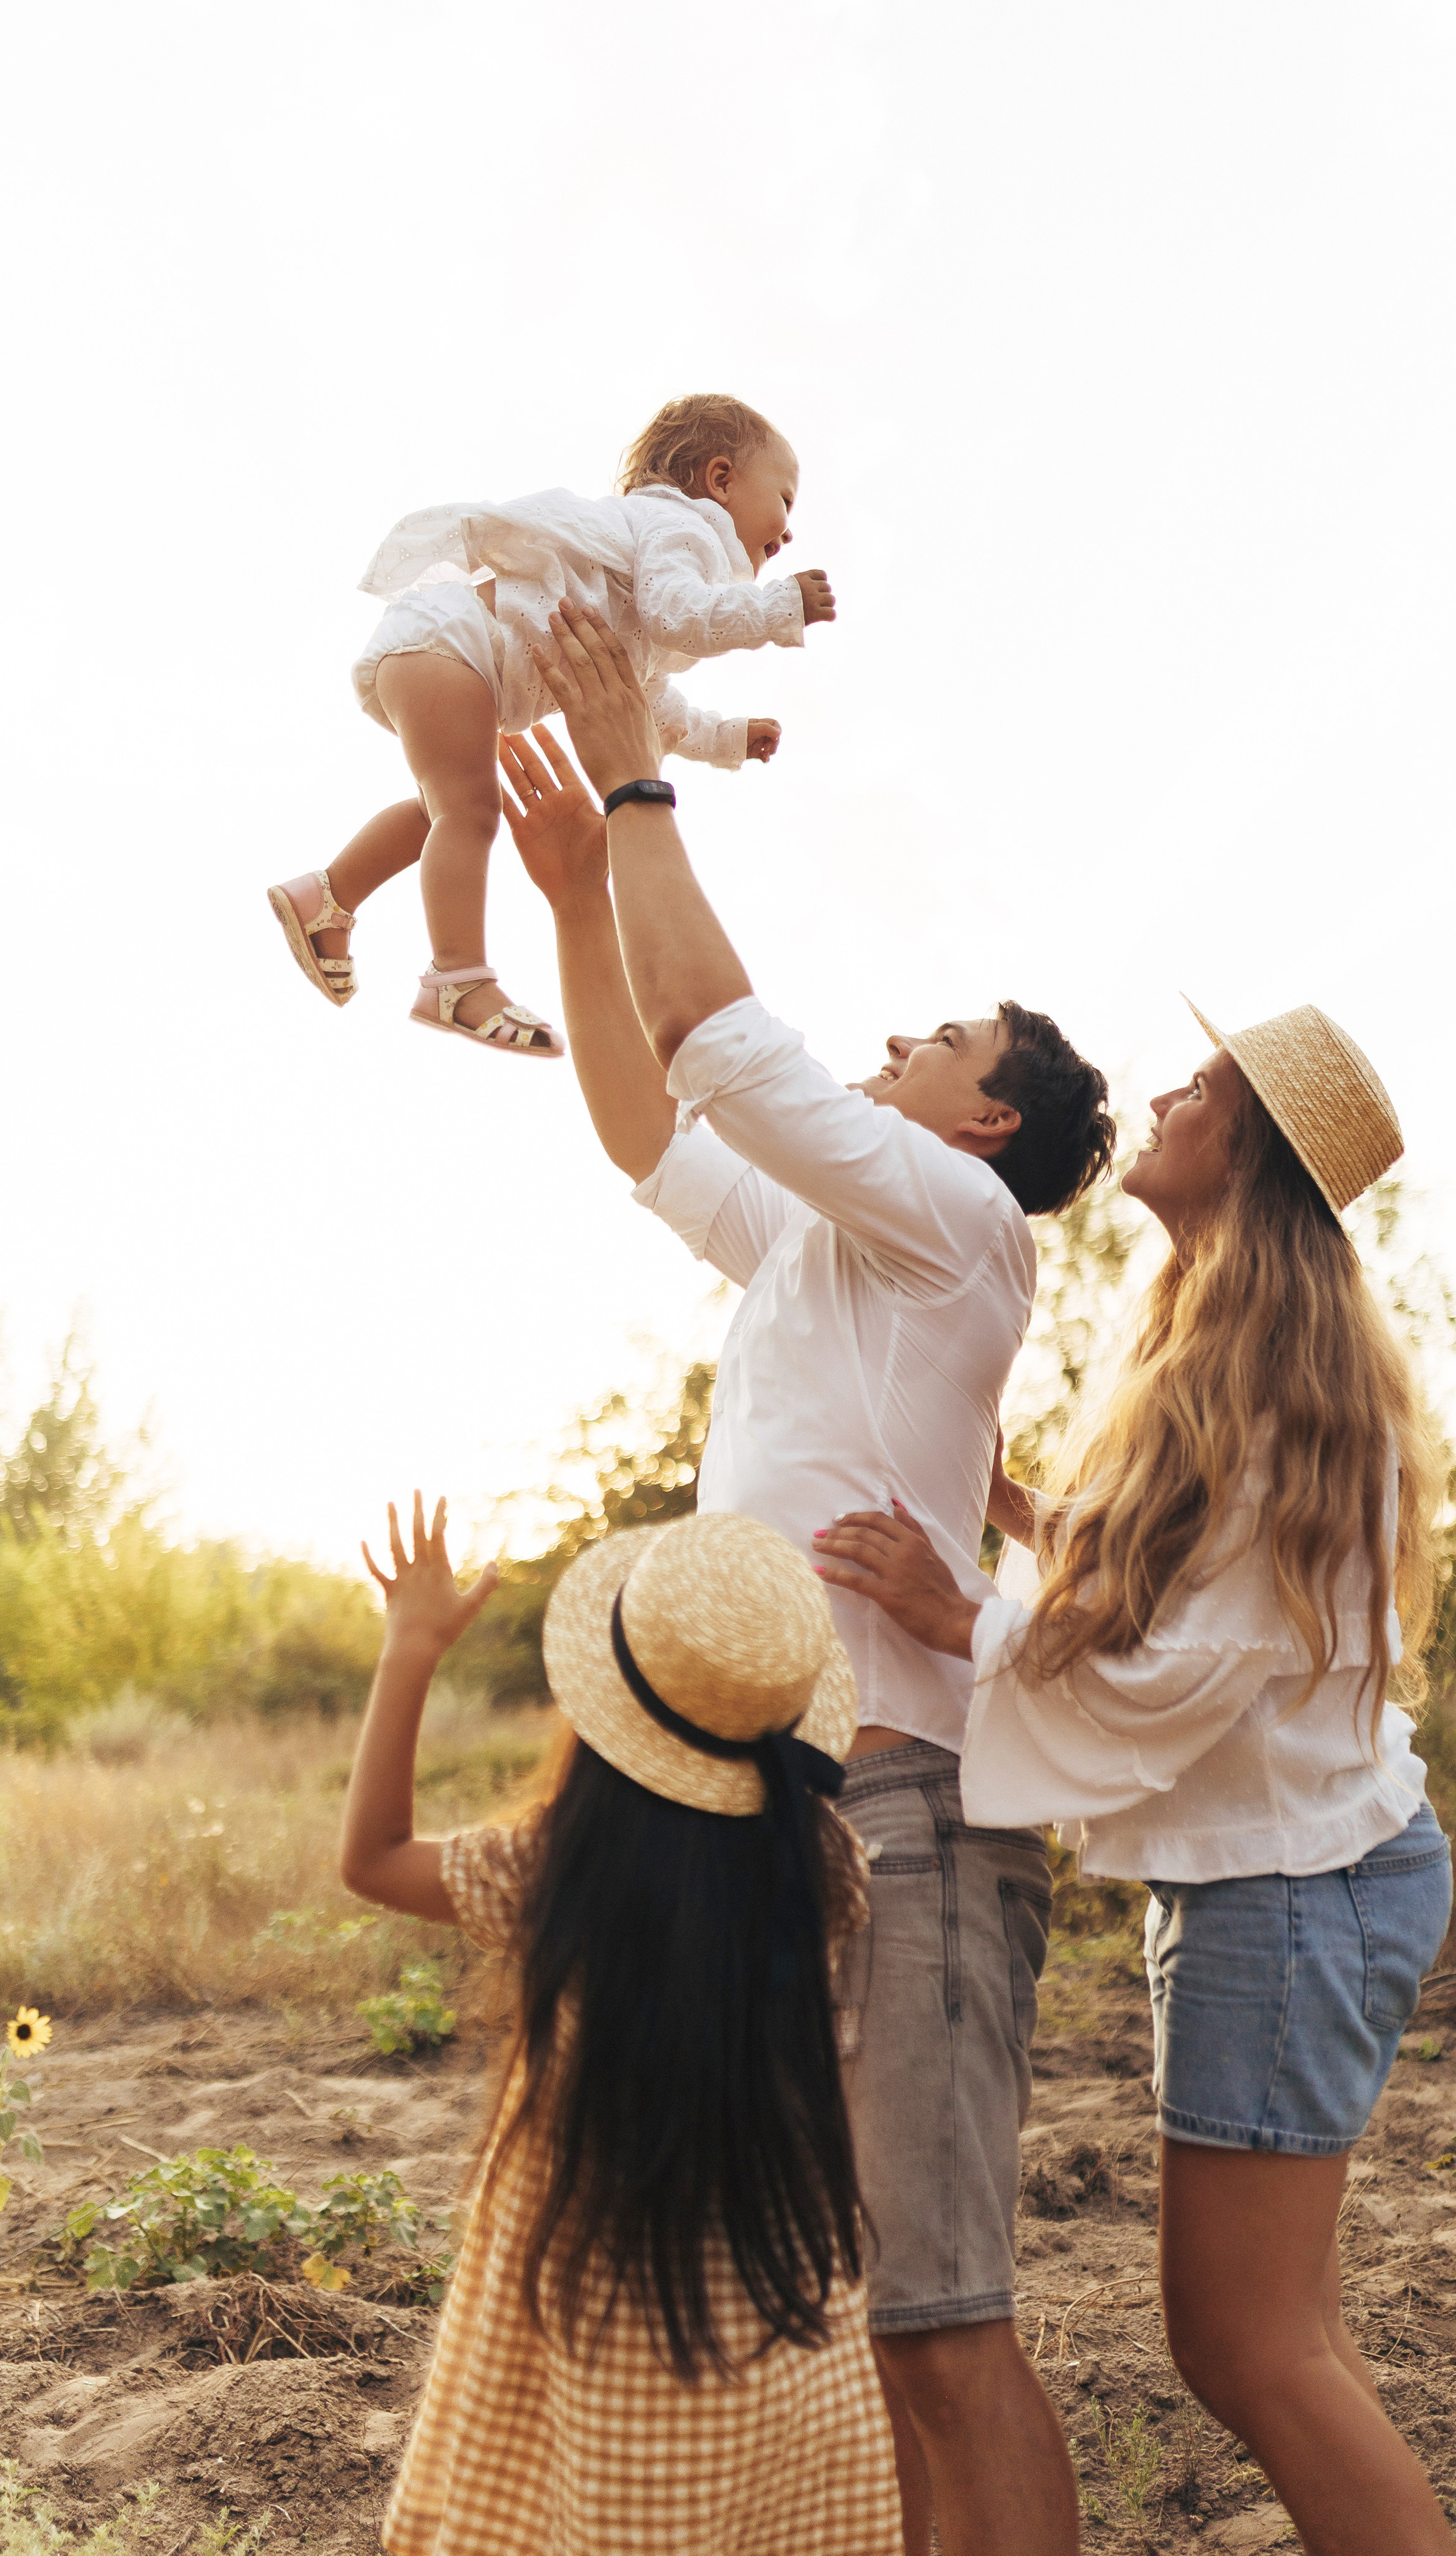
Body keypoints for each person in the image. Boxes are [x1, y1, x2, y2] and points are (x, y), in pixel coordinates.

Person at [500, 609, 1117, 2556]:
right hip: (795, 1807)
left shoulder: (952, 1230)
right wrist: (593, 884)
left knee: (943, 2328)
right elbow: (644, 1119)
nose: (891, 1044)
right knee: (879, 2322)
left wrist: (633, 787)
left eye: (933, 1040)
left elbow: (722, 1045)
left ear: (985, 1121)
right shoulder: (827, 1248)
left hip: (909, 1813)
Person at [814, 1000, 1456, 2556]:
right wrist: (1028, 1518)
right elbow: (1182, 1591)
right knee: (1274, 2335)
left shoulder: (1281, 1374)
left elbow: (1190, 1665)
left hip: (1296, 1889)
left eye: (1203, 1084)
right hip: (1290, 1876)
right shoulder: (1214, 1332)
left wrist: (953, 1612)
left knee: (1252, 2348)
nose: (1164, 1092)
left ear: (1248, 1147)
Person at [340, 1492, 904, 2556]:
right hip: (773, 2270)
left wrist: (409, 1649)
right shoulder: (828, 1868)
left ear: (605, 1721)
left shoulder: (559, 1869)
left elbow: (369, 1857)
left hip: (595, 2278)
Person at [266, 393, 833, 1055]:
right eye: (786, 500)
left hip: (439, 649)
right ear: (720, 480)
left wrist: (725, 739)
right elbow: (684, 614)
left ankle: (326, 899)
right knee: (470, 815)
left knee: (448, 812)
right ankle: (456, 978)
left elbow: (645, 698)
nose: (789, 529)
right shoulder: (684, 532)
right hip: (455, 646)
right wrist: (775, 609)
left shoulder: (649, 563)